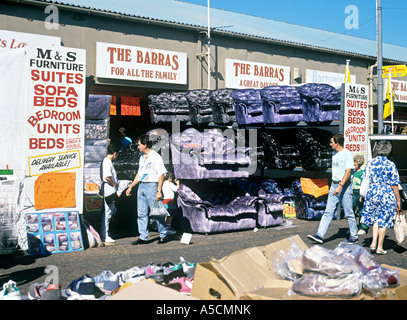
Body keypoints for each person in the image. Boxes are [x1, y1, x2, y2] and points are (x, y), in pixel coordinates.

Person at [307, 133, 358, 244]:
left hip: (344, 186)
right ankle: (320, 235)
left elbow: (348, 172)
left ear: (337, 143)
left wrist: (340, 186)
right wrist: (335, 186)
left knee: (349, 212)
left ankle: (354, 235)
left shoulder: (347, 154)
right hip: (334, 185)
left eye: (331, 142)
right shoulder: (334, 154)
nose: (330, 144)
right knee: (328, 211)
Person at [125, 134, 169, 244]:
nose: (138, 147)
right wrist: (131, 186)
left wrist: (159, 191)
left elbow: (161, 174)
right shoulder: (141, 158)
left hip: (152, 186)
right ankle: (143, 237)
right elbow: (139, 174)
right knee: (141, 213)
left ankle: (163, 235)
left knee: (157, 212)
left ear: (145, 145)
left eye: (139, 145)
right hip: (142, 186)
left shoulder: (156, 157)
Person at [360, 140, 401, 255]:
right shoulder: (390, 164)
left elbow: (365, 179)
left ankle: (373, 243)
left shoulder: (370, 163)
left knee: (375, 220)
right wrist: (398, 200)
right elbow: (394, 184)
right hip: (386, 193)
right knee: (383, 220)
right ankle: (379, 247)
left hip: (372, 191)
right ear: (388, 151)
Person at [100, 142, 121, 243]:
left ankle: (106, 233)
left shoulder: (107, 161)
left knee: (111, 210)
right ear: (115, 153)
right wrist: (113, 184)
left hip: (110, 188)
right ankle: (105, 234)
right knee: (108, 211)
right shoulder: (107, 161)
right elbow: (107, 176)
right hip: (109, 188)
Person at [352, 155, 369, 235]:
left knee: (361, 210)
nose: (353, 166)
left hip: (359, 193)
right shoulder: (351, 173)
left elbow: (364, 185)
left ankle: (363, 227)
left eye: (354, 165)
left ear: (359, 165)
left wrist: (362, 195)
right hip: (352, 192)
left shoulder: (362, 173)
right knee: (351, 211)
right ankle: (353, 228)